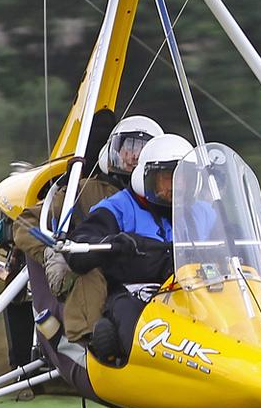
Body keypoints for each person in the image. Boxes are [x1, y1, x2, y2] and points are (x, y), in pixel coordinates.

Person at [11, 115, 161, 349]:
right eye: (128, 148)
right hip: (97, 276)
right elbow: (25, 224)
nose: (133, 156)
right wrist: (53, 252)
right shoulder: (84, 191)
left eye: (142, 150)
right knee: (89, 266)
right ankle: (89, 339)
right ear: (113, 151)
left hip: (144, 281)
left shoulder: (163, 201)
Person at [63, 132, 192, 364]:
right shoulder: (119, 206)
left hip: (192, 294)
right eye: (168, 177)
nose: (177, 185)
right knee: (126, 315)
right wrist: (113, 243)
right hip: (134, 294)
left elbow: (234, 246)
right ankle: (118, 354)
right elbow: (79, 246)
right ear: (148, 178)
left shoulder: (200, 210)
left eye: (183, 177)